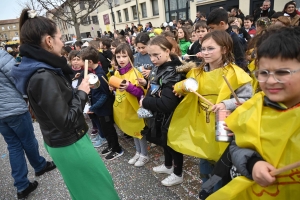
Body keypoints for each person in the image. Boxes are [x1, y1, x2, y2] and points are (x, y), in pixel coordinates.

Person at [11, 9, 119, 200]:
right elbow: (65, 120)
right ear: (49, 41)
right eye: (60, 37)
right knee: (100, 192)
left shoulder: (41, 69)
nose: (63, 42)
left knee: (86, 190)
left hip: (67, 141)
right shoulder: (43, 75)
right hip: (70, 143)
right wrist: (82, 92)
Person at [207, 25, 300, 200]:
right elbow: (237, 145)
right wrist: (253, 163)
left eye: (282, 72)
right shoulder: (255, 107)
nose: (271, 80)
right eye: (263, 73)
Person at [168, 30, 252, 194]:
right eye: (203, 48)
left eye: (210, 48)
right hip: (202, 127)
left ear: (225, 49)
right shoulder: (196, 73)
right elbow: (182, 88)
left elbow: (249, 100)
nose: (205, 52)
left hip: (224, 128)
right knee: (204, 163)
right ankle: (206, 189)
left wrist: (225, 104)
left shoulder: (236, 73)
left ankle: (217, 193)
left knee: (220, 167)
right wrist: (182, 87)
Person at [0, 50, 56, 199]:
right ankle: (39, 166)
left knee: (13, 145)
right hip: (14, 108)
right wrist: (27, 96)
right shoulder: (0, 55)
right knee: (28, 139)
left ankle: (22, 185)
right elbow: (17, 76)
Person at [139, 36, 184, 186]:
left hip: (172, 116)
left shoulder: (172, 71)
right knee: (165, 141)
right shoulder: (160, 66)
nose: (152, 58)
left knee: (172, 144)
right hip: (161, 116)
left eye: (155, 54)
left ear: (167, 51)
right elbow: (155, 86)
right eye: (150, 55)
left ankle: (178, 173)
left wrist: (145, 101)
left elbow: (167, 103)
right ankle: (168, 165)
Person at [80, 46, 123, 160]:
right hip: (99, 108)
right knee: (104, 129)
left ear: (89, 62)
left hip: (104, 109)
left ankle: (116, 149)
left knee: (109, 129)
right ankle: (110, 146)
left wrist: (93, 107)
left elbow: (104, 94)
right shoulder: (94, 72)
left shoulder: (99, 75)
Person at [112, 43, 148, 166]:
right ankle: (138, 152)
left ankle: (144, 154)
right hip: (124, 107)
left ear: (130, 57)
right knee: (132, 130)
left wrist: (129, 87)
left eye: (124, 56)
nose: (121, 59)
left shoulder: (136, 73)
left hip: (135, 107)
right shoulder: (117, 72)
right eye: (118, 56)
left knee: (139, 131)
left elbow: (141, 92)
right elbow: (117, 88)